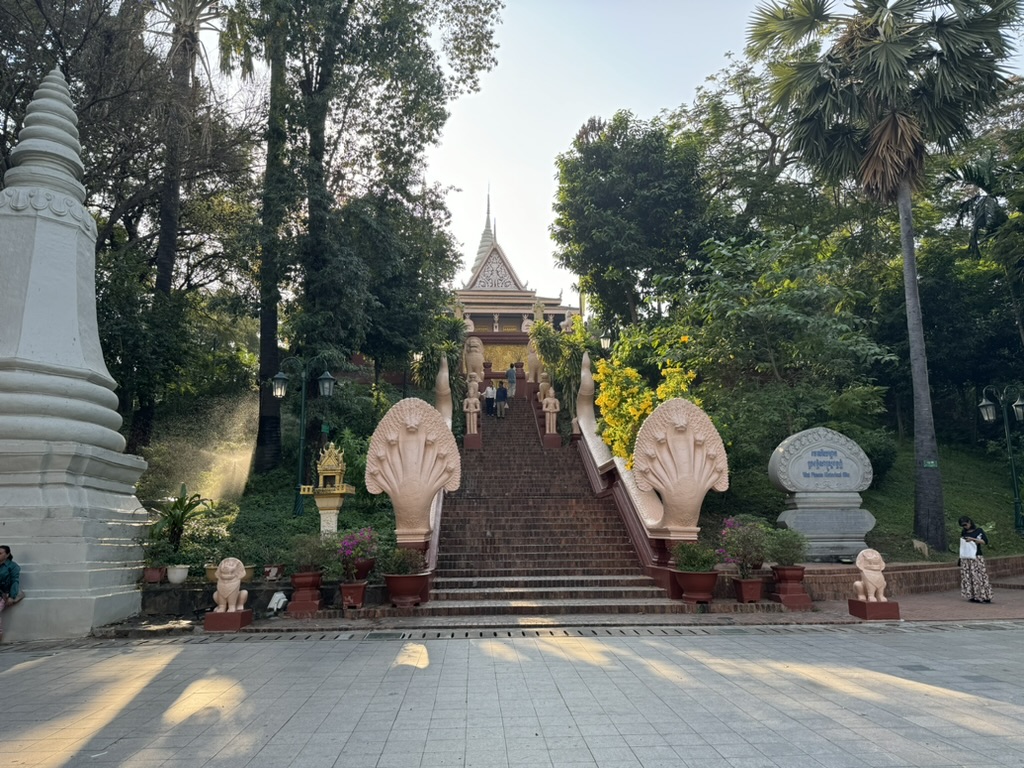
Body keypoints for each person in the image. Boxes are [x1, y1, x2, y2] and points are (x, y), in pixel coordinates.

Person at [959, 516, 992, 603]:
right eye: (963, 526)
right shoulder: (964, 532)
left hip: (977, 556)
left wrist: (973, 540)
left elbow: (985, 541)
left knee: (980, 576)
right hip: (967, 556)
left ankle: (984, 595)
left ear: (970, 522)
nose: (965, 527)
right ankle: (973, 595)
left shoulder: (979, 531)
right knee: (969, 576)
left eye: (965, 525)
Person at [0, 545, 23, 641]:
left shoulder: (13, 567)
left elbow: (15, 581)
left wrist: (11, 596)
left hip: (3, 594)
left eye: (0, 553)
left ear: (7, 554)